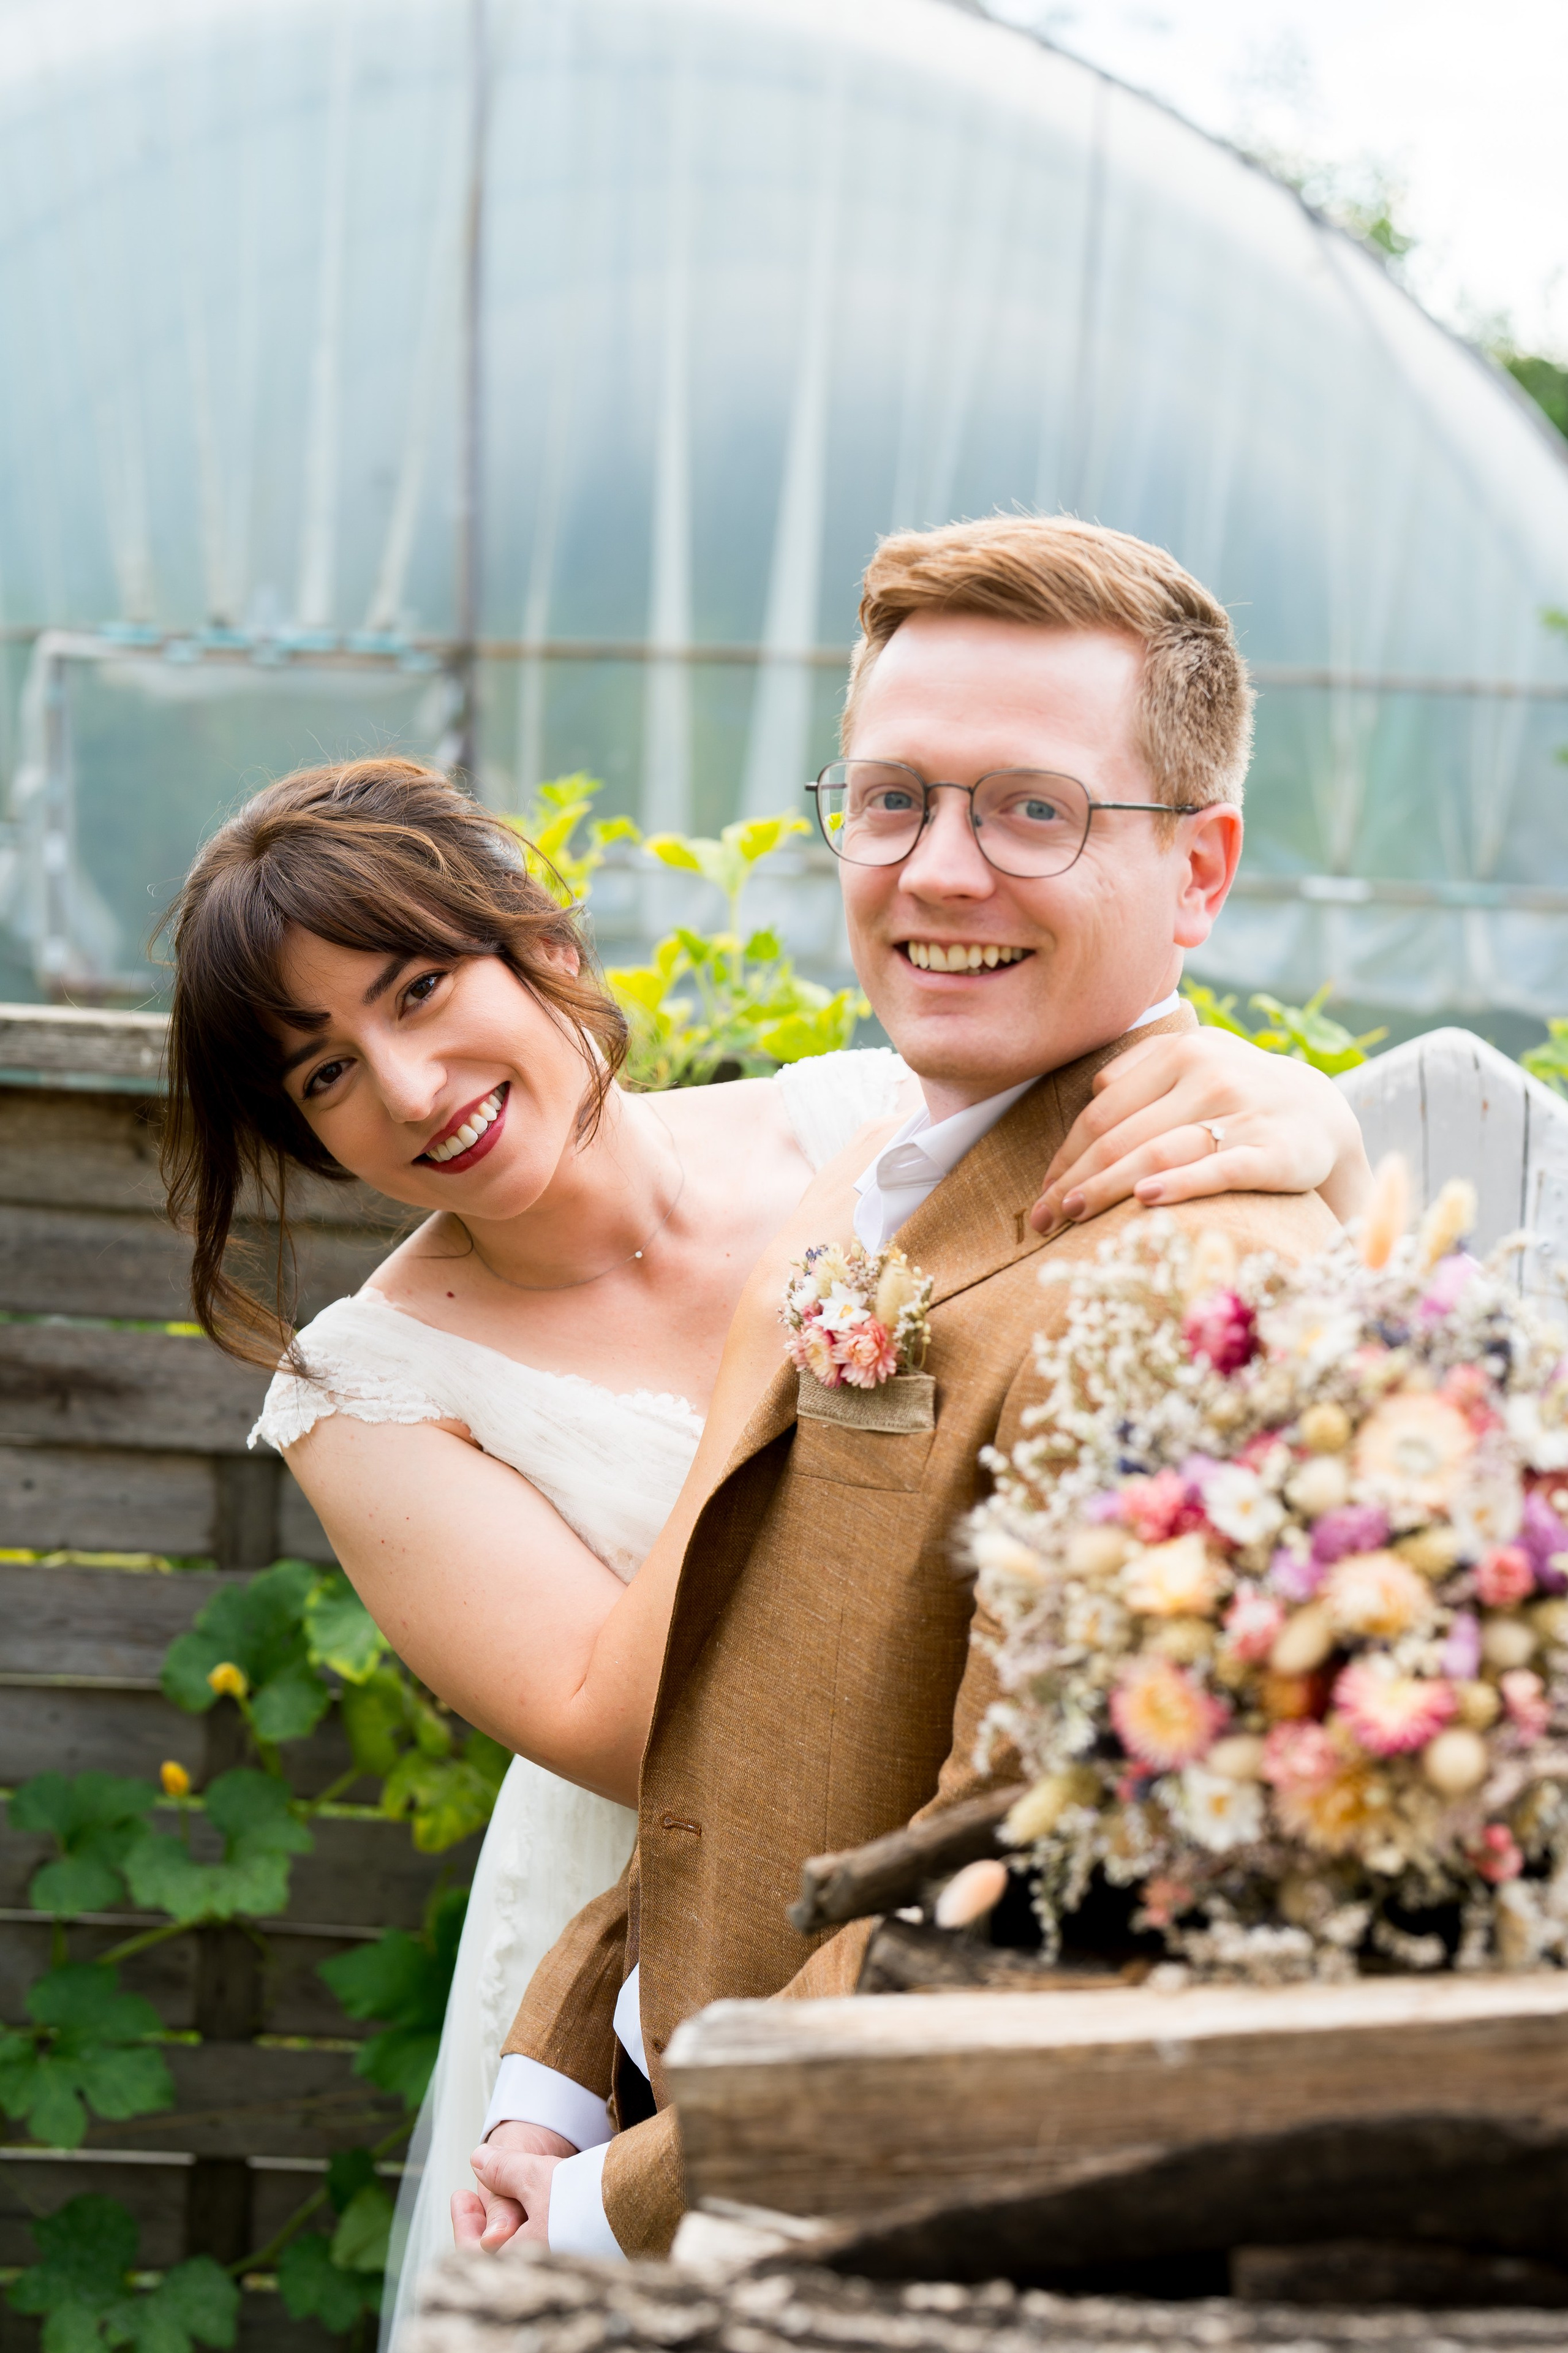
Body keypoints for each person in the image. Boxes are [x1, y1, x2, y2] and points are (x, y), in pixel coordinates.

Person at [159, 725, 1364, 2318]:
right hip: (659, 1951)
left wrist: (1313, 1128)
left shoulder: (862, 1119)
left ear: (536, 943)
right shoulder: (363, 1390)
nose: (407, 1087)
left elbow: (1193, 1240)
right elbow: (611, 1721)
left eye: (418, 991)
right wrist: (757, 1371)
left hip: (994, 1817)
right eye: (324, 1073)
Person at [462, 513, 1351, 2264]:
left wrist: (597, 2206)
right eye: (891, 798)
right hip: (688, 2113)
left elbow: (1009, 1899)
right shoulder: (890, 1168)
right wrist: (561, 2077)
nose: (937, 871)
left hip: (856, 2211)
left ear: (1201, 869)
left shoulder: (1186, 1283)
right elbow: (750, 1718)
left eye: (1034, 809)